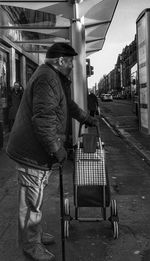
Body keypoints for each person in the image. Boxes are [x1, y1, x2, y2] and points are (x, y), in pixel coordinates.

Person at [6, 42, 99, 261]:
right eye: (70, 62)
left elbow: (68, 105)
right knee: (31, 202)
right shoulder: (48, 78)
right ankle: (31, 245)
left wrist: (87, 118)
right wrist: (56, 148)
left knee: (34, 198)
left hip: (34, 151)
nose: (72, 67)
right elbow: (43, 119)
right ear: (60, 61)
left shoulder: (53, 78)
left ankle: (33, 234)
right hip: (32, 152)